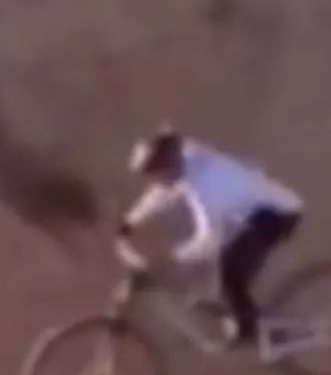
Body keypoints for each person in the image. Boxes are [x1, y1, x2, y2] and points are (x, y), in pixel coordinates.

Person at [116, 125, 304, 349]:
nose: (156, 180)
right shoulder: (186, 160)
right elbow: (164, 191)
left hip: (276, 214)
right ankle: (248, 319)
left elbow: (208, 240)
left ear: (169, 165)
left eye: (157, 173)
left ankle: (257, 332)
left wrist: (172, 258)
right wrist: (130, 221)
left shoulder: (206, 187)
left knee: (231, 272)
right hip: (252, 212)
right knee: (225, 278)